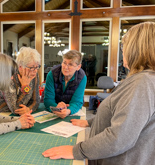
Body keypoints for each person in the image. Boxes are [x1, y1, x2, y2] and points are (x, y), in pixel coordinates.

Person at [42, 22, 155, 164]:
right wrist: (90, 122)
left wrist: (76, 151)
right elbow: (124, 117)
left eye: (124, 47)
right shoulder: (144, 80)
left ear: (136, 49)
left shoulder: (143, 82)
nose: (123, 51)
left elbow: (119, 138)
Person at [44, 50, 87, 119]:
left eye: (70, 64)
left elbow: (77, 101)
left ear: (78, 67)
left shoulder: (82, 77)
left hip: (70, 111)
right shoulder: (52, 74)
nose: (65, 67)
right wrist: (56, 108)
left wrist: (68, 111)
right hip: (54, 110)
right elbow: (48, 99)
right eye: (64, 63)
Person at [0, 47, 41, 115]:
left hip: (22, 114)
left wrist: (28, 109)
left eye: (37, 67)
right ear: (20, 67)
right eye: (31, 67)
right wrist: (25, 88)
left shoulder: (34, 75)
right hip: (2, 114)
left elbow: (36, 100)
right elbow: (15, 109)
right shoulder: (9, 76)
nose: (35, 71)